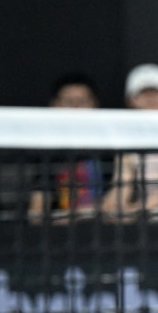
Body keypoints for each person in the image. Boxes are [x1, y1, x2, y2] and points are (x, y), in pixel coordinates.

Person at [100, 64, 158, 222]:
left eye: (156, 92)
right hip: (144, 221)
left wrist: (137, 211)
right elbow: (122, 184)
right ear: (131, 100)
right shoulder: (126, 141)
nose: (151, 99)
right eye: (143, 93)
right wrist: (110, 207)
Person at [27, 73, 104, 222]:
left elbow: (115, 204)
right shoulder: (46, 153)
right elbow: (36, 210)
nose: (75, 109)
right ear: (54, 106)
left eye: (82, 102)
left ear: (94, 105)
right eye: (68, 102)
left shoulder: (111, 151)